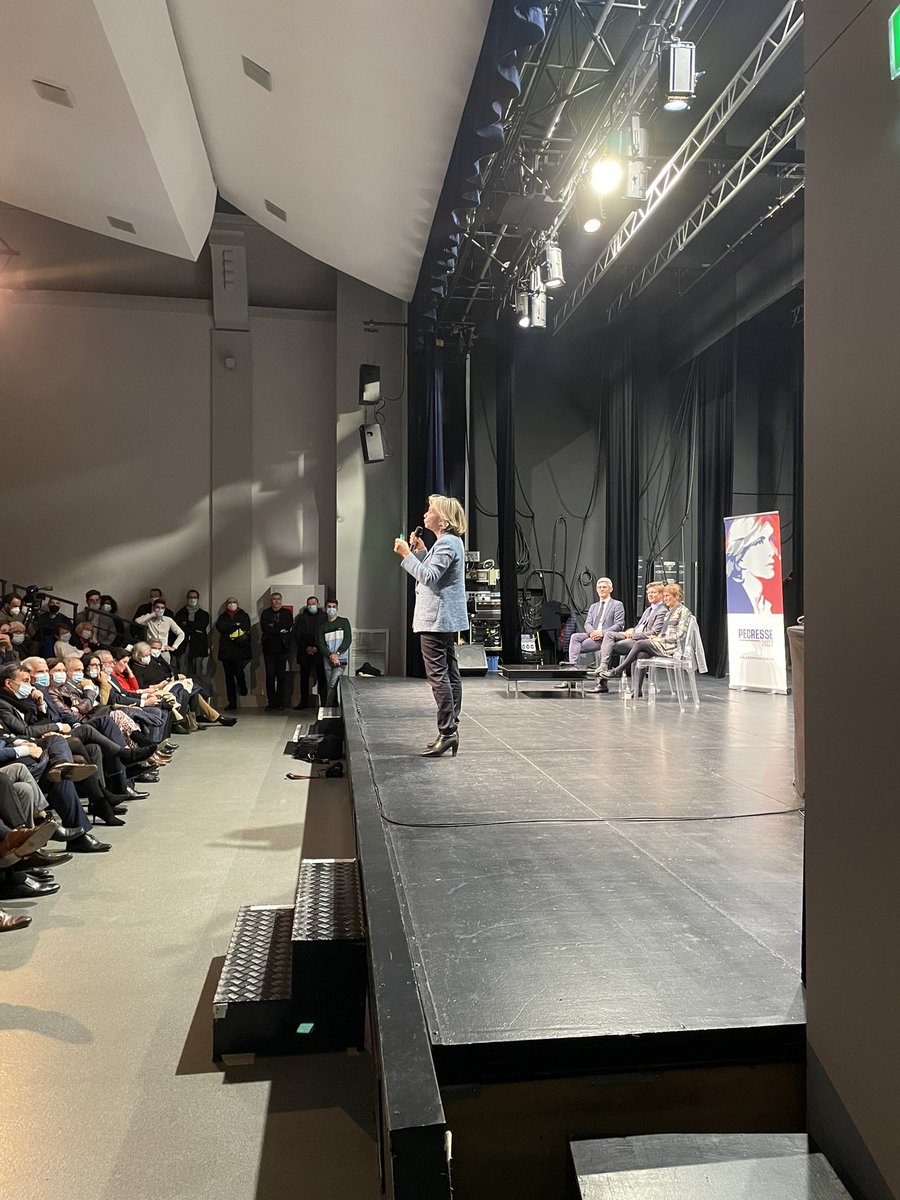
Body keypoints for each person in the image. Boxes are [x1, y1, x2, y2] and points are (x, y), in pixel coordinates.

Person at [393, 494, 468, 758]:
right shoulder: (449, 542)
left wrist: (406, 554)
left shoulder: (447, 543)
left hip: (436, 620)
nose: (425, 514)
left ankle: (447, 732)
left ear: (443, 519)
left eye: (430, 510)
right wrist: (422, 552)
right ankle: (450, 729)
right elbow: (436, 573)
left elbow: (429, 577)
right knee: (449, 674)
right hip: (443, 619)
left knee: (439, 676)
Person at [600, 583, 694, 691]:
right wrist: (655, 637)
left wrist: (659, 639)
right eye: (664, 596)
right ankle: (638, 690)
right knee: (641, 654)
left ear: (677, 596)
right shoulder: (669, 613)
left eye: (667, 596)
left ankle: (618, 670)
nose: (665, 599)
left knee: (640, 643)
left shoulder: (683, 612)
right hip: (662, 644)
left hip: (672, 647)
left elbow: (680, 636)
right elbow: (662, 632)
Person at [585, 581, 668, 693]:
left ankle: (605, 682)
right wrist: (631, 630)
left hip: (643, 641)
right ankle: (604, 669)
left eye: (653, 592)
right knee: (608, 635)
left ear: (661, 594)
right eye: (649, 593)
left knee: (608, 647)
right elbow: (639, 626)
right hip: (634, 637)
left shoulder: (662, 611)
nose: (650, 595)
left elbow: (654, 632)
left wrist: (634, 635)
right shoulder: (649, 610)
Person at [556, 577, 626, 688]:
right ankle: (573, 672)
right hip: (593, 636)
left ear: (610, 589)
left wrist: (602, 633)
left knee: (576, 648)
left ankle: (575, 679)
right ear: (596, 589)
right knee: (575, 637)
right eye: (599, 587)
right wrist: (592, 632)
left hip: (607, 637)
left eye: (604, 587)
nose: (602, 589)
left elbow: (619, 625)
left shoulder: (617, 605)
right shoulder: (593, 606)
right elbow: (587, 623)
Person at [724, 514, 783, 615]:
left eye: (771, 540)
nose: (772, 551)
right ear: (739, 557)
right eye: (759, 542)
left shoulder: (768, 605)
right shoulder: (737, 603)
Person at [215, 598, 251, 711]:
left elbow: (245, 628)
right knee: (229, 678)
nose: (232, 604)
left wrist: (230, 627)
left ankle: (242, 686)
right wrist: (235, 625)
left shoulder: (244, 615)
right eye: (230, 602)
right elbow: (221, 627)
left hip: (240, 650)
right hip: (226, 651)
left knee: (239, 671)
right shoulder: (222, 617)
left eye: (234, 602)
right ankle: (232, 702)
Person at [292, 596, 327, 710]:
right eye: (309, 604)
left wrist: (317, 647)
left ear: (318, 604)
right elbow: (297, 635)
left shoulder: (324, 617)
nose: (312, 606)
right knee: (304, 678)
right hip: (304, 652)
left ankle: (324, 702)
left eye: (313, 603)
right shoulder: (302, 617)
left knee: (322, 678)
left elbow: (325, 634)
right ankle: (304, 702)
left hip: (319, 652)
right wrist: (306, 647)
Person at [260, 593, 293, 711]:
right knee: (270, 675)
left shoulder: (286, 613)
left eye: (278, 599)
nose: (276, 601)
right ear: (271, 601)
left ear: (281, 600)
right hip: (269, 649)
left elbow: (288, 625)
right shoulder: (266, 613)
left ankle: (280, 702)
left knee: (281, 676)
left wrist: (273, 627)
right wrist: (279, 630)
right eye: (274, 599)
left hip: (282, 648)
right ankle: (271, 703)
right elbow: (265, 627)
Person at [316, 600, 352, 709]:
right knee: (330, 684)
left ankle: (329, 708)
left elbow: (347, 640)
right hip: (328, 659)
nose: (331, 608)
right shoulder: (322, 627)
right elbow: (321, 644)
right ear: (325, 609)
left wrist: (337, 654)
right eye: (329, 606)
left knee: (332, 683)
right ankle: (334, 708)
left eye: (334, 606)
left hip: (341, 658)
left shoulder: (344, 622)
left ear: (337, 608)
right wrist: (330, 656)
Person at [173, 589, 210, 679]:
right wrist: (194, 627)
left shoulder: (204, 614)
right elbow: (179, 628)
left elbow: (202, 627)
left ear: (198, 599)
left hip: (198, 645)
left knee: (197, 671)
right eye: (190, 597)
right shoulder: (180, 613)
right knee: (182, 670)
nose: (192, 599)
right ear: (187, 598)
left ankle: (198, 687)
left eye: (194, 597)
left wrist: (187, 624)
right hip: (182, 645)